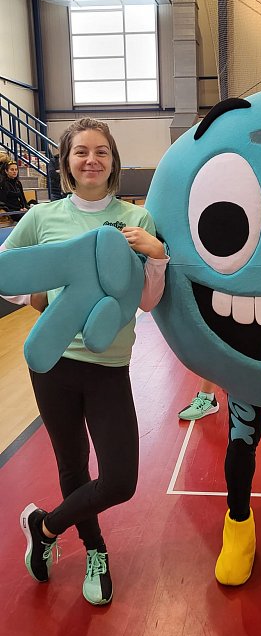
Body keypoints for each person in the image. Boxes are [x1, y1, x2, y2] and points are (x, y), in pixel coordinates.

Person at [0, 118, 169, 605]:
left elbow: (147, 302)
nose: (91, 160)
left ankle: (44, 527)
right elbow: (7, 269)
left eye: (100, 152)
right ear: (67, 163)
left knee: (119, 480)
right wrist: (38, 299)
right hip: (53, 365)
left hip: (109, 365)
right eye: (81, 152)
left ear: (113, 161)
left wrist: (157, 257)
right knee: (72, 465)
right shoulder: (42, 218)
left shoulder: (137, 220)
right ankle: (95, 549)